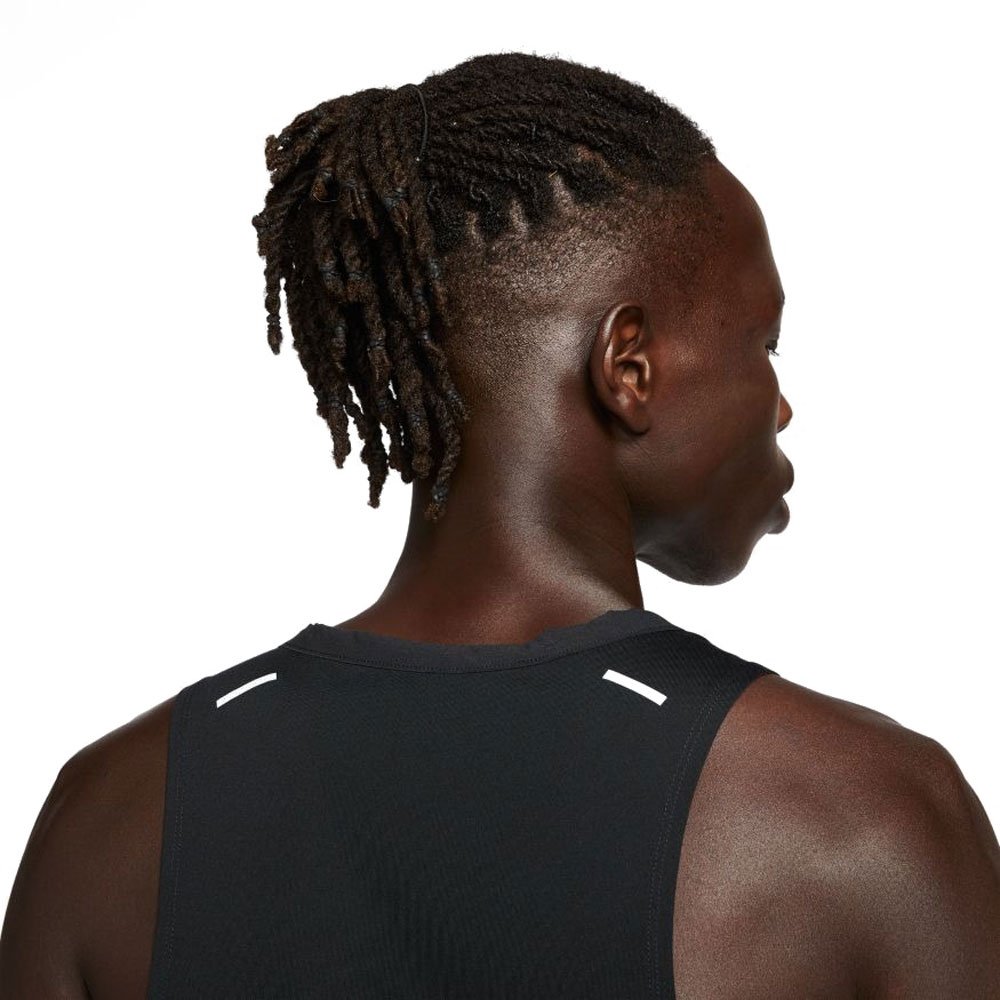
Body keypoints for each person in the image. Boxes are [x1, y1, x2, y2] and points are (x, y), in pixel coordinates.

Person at [2, 51, 998, 999]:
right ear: (629, 366)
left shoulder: (111, 818)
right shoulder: (861, 820)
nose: (780, 405)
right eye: (764, 343)